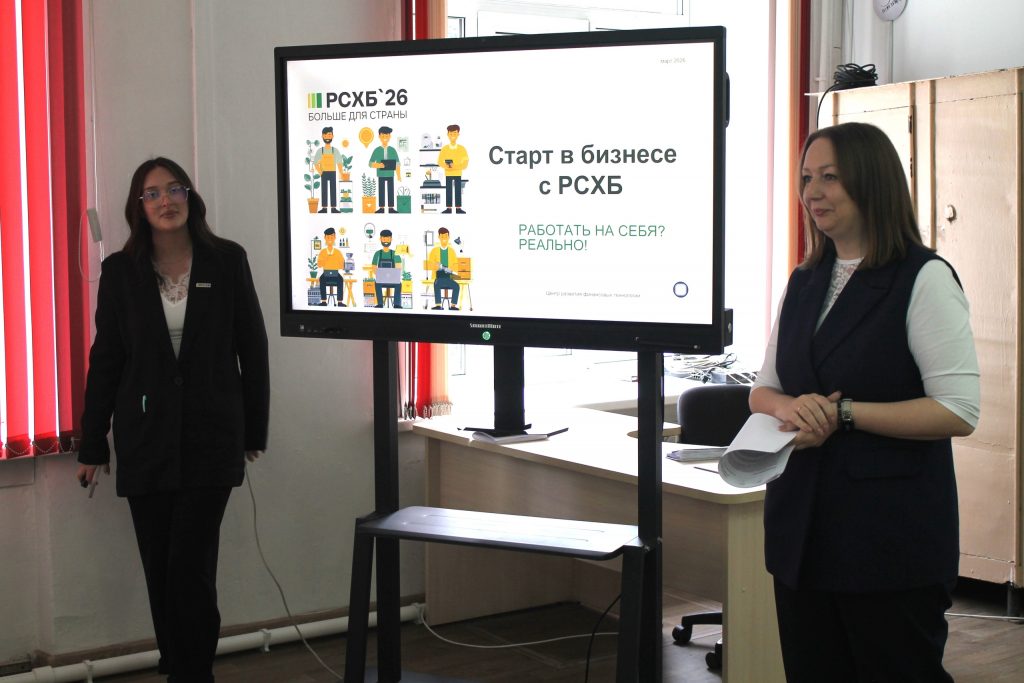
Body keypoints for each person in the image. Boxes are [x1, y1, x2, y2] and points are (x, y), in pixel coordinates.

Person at [750, 122, 980, 682]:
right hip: (802, 533)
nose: (813, 192)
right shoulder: (804, 280)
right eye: (807, 178)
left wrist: (843, 414)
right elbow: (763, 390)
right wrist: (791, 409)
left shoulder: (923, 278)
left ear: (871, 182)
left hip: (887, 540)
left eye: (830, 177)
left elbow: (957, 410)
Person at [76, 157, 270, 683]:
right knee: (160, 567)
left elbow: (252, 347)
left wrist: (254, 430)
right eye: (153, 193)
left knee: (190, 567)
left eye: (174, 189)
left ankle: (194, 672)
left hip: (212, 437)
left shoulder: (226, 260)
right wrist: (92, 443)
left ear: (190, 197)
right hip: (146, 440)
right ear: (138, 207)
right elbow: (107, 360)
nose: (166, 201)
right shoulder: (121, 272)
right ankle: (179, 667)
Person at [437, 124, 468, 214]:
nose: (453, 136)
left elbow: (465, 164)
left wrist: (455, 166)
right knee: (449, 191)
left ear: (458, 134)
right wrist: (446, 166)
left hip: (458, 173)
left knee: (458, 190)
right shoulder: (444, 149)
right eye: (451, 134)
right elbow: (439, 161)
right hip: (448, 173)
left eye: (455, 133)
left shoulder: (462, 149)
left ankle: (458, 208)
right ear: (448, 135)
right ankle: (449, 208)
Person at [369, 125, 401, 213]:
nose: (385, 138)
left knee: (391, 190)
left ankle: (391, 208)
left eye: (387, 136)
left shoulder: (392, 150)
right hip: (381, 174)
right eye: (383, 136)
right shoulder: (376, 150)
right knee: (381, 190)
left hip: (390, 174)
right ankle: (381, 208)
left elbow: (397, 163)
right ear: (379, 136)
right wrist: (378, 165)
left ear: (390, 136)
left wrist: (398, 175)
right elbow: (370, 163)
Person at [427, 227, 460, 310]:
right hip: (438, 277)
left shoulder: (452, 251)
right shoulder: (434, 251)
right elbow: (430, 263)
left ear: (449, 237)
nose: (444, 239)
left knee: (456, 286)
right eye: (442, 237)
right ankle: (438, 305)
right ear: (439, 237)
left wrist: (450, 269)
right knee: (436, 284)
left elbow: (455, 265)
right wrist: (440, 266)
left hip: (449, 277)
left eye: (446, 236)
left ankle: (453, 306)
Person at [370, 228, 403, 308]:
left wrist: (391, 276)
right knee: (377, 283)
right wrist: (380, 275)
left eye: (387, 239)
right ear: (380, 239)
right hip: (381, 279)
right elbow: (374, 268)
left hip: (393, 280)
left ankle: (397, 304)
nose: (385, 241)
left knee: (399, 284)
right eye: (384, 239)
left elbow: (398, 268)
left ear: (391, 239)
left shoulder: (395, 254)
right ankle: (380, 304)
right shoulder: (377, 254)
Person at [312, 126, 341, 213]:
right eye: (325, 135)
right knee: (324, 190)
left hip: (333, 172)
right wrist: (320, 172)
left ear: (332, 136)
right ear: (322, 136)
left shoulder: (335, 150)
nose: (327, 137)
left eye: (329, 135)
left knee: (333, 189)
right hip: (323, 173)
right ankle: (324, 208)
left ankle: (333, 208)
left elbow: (339, 162)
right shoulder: (320, 151)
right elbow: (315, 163)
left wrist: (341, 173)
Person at [316, 226, 345, 306]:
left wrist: (336, 264)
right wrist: (326, 258)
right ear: (324, 238)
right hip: (325, 274)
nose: (330, 239)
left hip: (336, 274)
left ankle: (339, 302)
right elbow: (319, 265)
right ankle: (324, 301)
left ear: (335, 237)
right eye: (328, 237)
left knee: (340, 280)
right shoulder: (323, 252)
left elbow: (342, 265)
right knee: (321, 279)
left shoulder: (338, 252)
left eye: (331, 237)